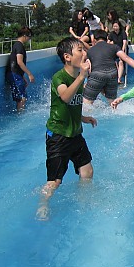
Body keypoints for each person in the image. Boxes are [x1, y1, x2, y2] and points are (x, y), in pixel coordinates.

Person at [37, 38, 98, 220]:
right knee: (55, 182)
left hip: (75, 134)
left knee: (87, 171)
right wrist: (81, 77)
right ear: (67, 57)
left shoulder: (76, 78)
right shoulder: (60, 78)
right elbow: (64, 97)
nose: (84, 53)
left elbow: (71, 105)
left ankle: (83, 202)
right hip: (58, 136)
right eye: (80, 50)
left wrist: (82, 118)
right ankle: (43, 204)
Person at [83, 30, 134, 105]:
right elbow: (126, 58)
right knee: (112, 104)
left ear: (94, 40)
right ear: (107, 38)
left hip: (97, 74)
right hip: (112, 74)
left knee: (87, 104)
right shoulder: (114, 47)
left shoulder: (90, 50)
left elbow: (86, 66)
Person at [6, 26, 35, 111]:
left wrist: (22, 77)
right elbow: (19, 61)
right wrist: (29, 74)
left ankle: (20, 114)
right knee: (21, 99)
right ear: (25, 35)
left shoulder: (17, 45)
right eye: (29, 36)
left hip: (15, 74)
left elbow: (15, 64)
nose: (29, 39)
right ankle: (19, 116)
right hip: (14, 75)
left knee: (22, 97)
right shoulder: (19, 46)